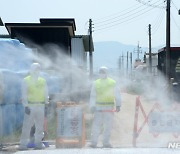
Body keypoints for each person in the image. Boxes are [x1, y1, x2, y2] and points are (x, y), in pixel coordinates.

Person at [19, 63, 49, 150]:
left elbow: (46, 93)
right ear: (31, 70)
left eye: (38, 69)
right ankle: (23, 145)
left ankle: (38, 143)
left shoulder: (42, 81)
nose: (37, 71)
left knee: (40, 126)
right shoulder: (26, 80)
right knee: (27, 126)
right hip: (30, 106)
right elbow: (24, 94)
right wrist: (26, 106)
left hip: (40, 105)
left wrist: (46, 104)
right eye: (35, 69)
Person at [89, 66, 121, 148]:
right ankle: (94, 143)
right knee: (96, 125)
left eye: (103, 72)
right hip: (98, 108)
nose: (102, 73)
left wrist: (118, 105)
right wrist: (92, 106)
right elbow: (93, 95)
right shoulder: (96, 83)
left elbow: (117, 94)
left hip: (109, 108)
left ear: (107, 73)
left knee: (108, 126)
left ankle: (106, 142)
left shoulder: (112, 82)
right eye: (100, 72)